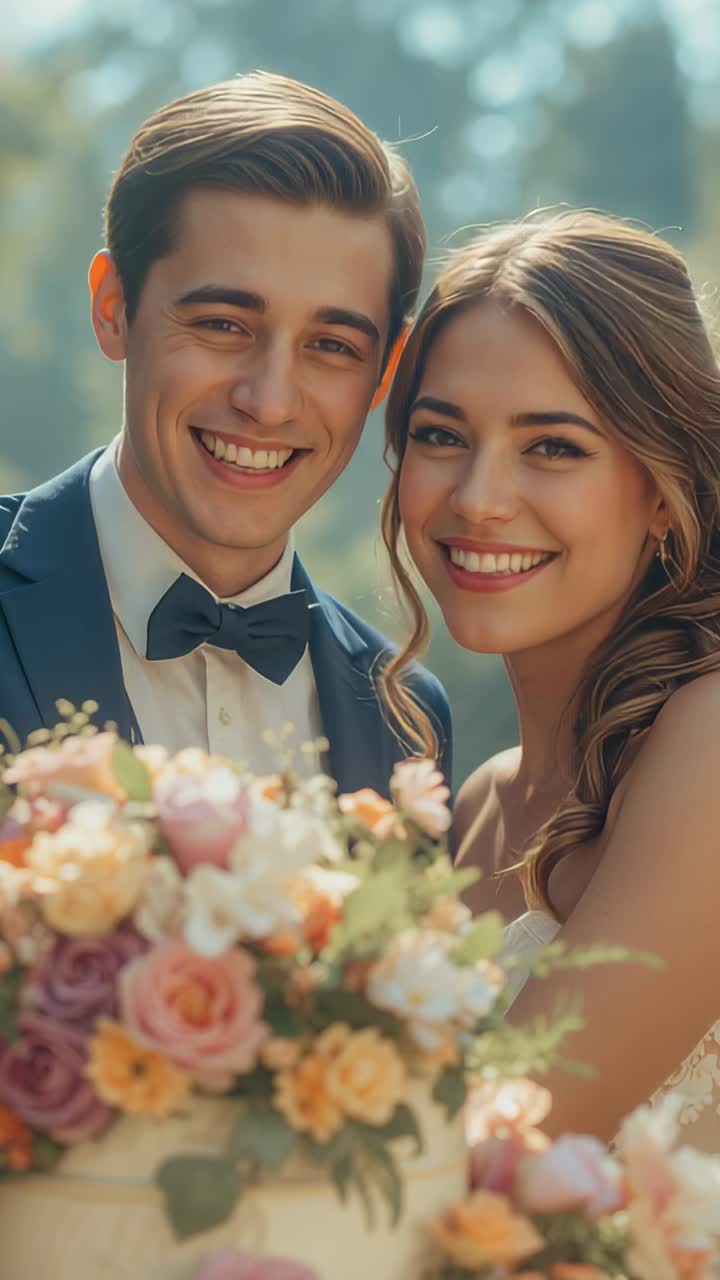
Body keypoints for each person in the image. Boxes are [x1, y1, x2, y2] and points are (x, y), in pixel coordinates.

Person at [0, 71, 451, 795]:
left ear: (383, 373)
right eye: (222, 324)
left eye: (331, 345)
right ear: (113, 307)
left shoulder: (411, 720)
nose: (268, 403)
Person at [380, 208, 720, 1148]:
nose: (479, 498)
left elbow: (507, 1145)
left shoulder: (710, 741)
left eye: (554, 446)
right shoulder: (473, 805)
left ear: (664, 489)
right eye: (440, 435)